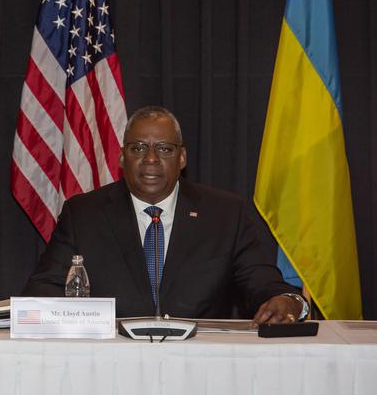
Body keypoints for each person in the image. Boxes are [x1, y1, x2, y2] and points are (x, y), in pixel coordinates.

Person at [23, 105, 308, 324]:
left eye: (164, 149)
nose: (150, 159)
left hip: (200, 363)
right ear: (122, 157)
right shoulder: (84, 213)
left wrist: (290, 300)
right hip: (111, 359)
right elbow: (42, 289)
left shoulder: (224, 214)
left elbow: (264, 283)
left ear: (181, 158)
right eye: (138, 148)